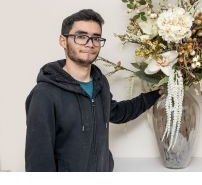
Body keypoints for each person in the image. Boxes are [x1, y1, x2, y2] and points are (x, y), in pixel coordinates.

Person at [25, 9, 164, 172]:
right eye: (81, 36)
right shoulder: (44, 94)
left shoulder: (100, 82)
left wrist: (156, 94)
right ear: (63, 41)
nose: (90, 44)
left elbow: (116, 113)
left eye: (96, 38)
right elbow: (39, 161)